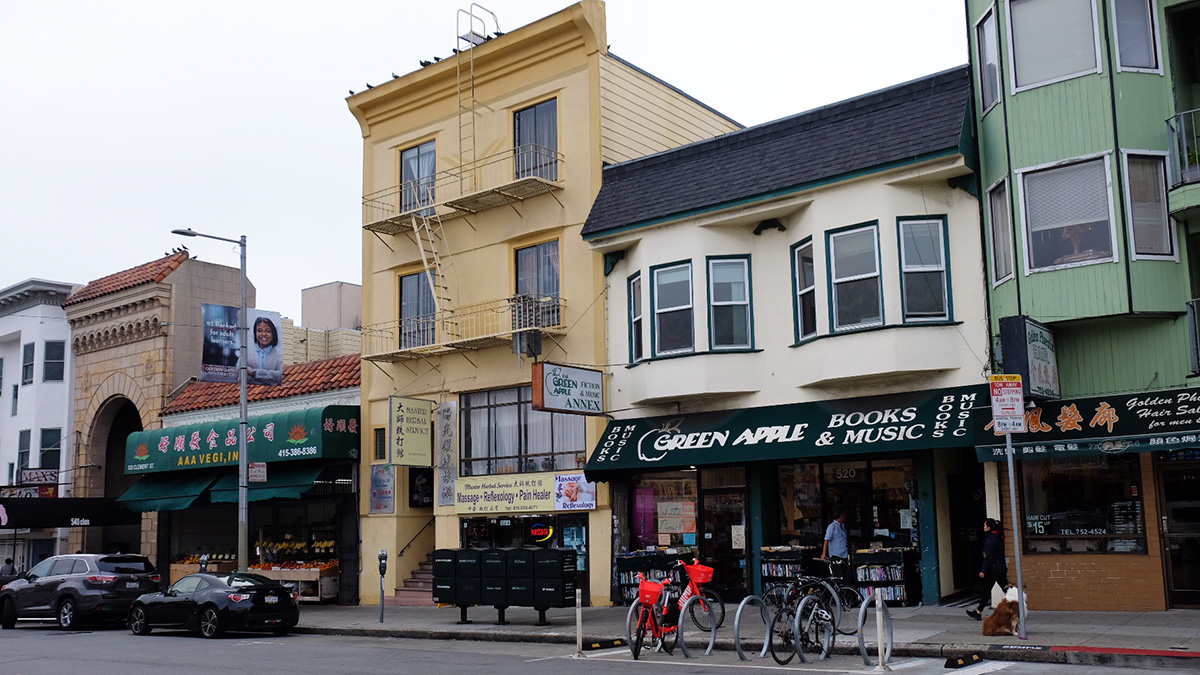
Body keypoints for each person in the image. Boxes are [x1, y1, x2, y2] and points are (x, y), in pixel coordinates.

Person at [967, 518, 1010, 621]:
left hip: (993, 569)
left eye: (985, 526)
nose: (983, 527)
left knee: (987, 590)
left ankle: (978, 612)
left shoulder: (991, 539)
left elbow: (989, 557)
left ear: (989, 527)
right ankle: (978, 611)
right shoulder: (999, 537)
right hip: (1000, 568)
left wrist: (983, 570)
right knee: (1006, 589)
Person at [246, 316, 283, 385]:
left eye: (268, 331)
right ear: (255, 332)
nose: (263, 334)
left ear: (273, 334)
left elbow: (280, 376)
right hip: (250, 392)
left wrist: (254, 373)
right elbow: (239, 373)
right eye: (259, 331)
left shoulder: (279, 355)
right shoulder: (247, 352)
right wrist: (262, 383)